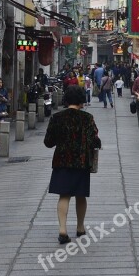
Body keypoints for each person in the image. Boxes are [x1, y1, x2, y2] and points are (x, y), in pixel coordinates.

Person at [43, 85, 101, 245]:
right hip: (81, 161)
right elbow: (94, 140)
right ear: (81, 100)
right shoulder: (87, 118)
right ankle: (80, 227)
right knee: (81, 195)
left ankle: (62, 229)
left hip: (61, 161)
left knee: (64, 195)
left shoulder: (57, 118)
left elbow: (48, 142)